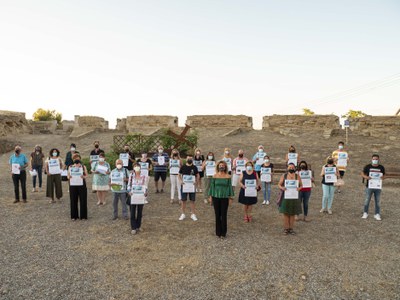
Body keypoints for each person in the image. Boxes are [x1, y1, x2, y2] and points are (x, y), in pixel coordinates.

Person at [208, 160, 234, 238]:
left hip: (225, 197)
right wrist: (210, 197)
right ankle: (218, 232)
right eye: (220, 165)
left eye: (223, 165)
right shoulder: (214, 176)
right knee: (217, 215)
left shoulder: (228, 176)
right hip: (216, 197)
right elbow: (212, 187)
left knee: (224, 214)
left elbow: (230, 188)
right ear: (218, 167)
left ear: (225, 167)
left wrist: (230, 198)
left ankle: (223, 233)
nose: (221, 166)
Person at [278, 163, 303, 235]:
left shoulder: (297, 176)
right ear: (287, 168)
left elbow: (301, 185)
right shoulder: (284, 175)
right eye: (290, 167)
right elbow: (279, 184)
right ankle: (286, 228)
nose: (291, 168)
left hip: (294, 197)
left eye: (292, 167)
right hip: (286, 196)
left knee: (292, 213)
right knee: (286, 213)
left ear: (294, 168)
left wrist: (299, 188)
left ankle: (291, 228)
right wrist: (282, 187)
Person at [361, 154, 386, 221]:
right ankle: (365, 213)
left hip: (378, 187)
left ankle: (377, 214)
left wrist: (382, 177)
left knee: (377, 201)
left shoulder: (381, 167)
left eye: (376, 159)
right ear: (372, 159)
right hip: (369, 186)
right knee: (367, 200)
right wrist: (366, 177)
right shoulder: (368, 166)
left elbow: (384, 175)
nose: (375, 160)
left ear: (378, 159)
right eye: (374, 159)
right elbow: (362, 173)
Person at [127, 163, 149, 234]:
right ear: (133, 167)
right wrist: (129, 191)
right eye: (135, 166)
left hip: (141, 196)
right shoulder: (131, 176)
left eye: (138, 166)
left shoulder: (144, 176)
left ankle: (138, 226)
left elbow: (145, 185)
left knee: (140, 212)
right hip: (133, 196)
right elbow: (128, 185)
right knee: (132, 212)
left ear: (140, 167)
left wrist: (145, 192)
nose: (136, 167)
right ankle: (133, 227)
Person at [178, 154, 199, 221]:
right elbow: (179, 175)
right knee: (183, 200)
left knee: (192, 200)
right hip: (184, 186)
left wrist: (196, 181)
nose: (189, 159)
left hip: (192, 186)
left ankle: (193, 214)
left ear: (192, 159)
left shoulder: (194, 167)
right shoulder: (183, 167)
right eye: (188, 158)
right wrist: (181, 181)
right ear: (186, 159)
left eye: (191, 157)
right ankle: (183, 214)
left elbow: (197, 175)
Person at [68, 153, 88, 220]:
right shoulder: (70, 167)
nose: (76, 159)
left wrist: (83, 176)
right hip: (73, 185)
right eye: (75, 158)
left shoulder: (83, 166)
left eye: (78, 158)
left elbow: (86, 175)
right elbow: (68, 176)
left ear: (80, 158)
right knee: (73, 200)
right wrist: (69, 176)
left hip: (81, 185)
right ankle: (74, 216)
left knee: (83, 200)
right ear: (73, 159)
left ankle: (83, 216)